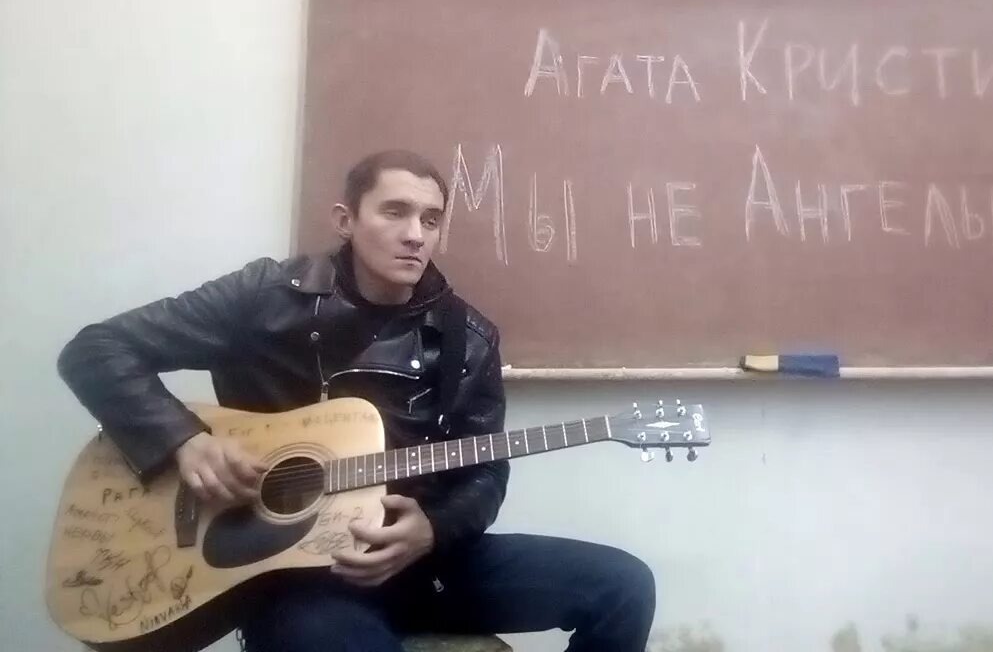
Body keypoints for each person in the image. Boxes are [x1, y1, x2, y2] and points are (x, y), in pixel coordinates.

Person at [56, 149, 656, 652]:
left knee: (624, 586)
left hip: (424, 561)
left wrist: (433, 529)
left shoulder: (468, 337)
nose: (415, 234)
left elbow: (486, 470)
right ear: (346, 219)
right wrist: (184, 441)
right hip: (298, 577)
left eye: (431, 219)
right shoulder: (265, 296)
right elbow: (96, 350)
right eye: (395, 211)